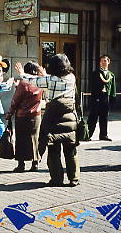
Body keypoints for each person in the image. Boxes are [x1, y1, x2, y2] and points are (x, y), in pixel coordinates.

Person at [15, 54, 80, 187]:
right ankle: (74, 179)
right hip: (70, 118)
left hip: (53, 118)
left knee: (54, 151)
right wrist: (44, 75)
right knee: (71, 151)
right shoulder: (71, 78)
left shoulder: (50, 81)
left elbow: (32, 81)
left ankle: (57, 179)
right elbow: (54, 81)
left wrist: (22, 73)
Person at [6, 61, 43, 173]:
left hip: (22, 116)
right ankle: (35, 163)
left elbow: (15, 101)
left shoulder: (23, 84)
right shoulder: (40, 83)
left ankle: (21, 165)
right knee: (34, 138)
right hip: (36, 115)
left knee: (21, 140)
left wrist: (9, 113)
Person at [87, 55, 116, 141]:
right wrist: (94, 98)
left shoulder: (111, 75)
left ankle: (103, 135)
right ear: (100, 62)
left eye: (106, 61)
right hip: (96, 98)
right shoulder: (95, 73)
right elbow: (92, 86)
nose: (104, 62)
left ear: (109, 62)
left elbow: (113, 88)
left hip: (105, 99)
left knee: (104, 117)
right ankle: (88, 135)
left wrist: (112, 98)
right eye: (102, 61)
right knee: (93, 117)